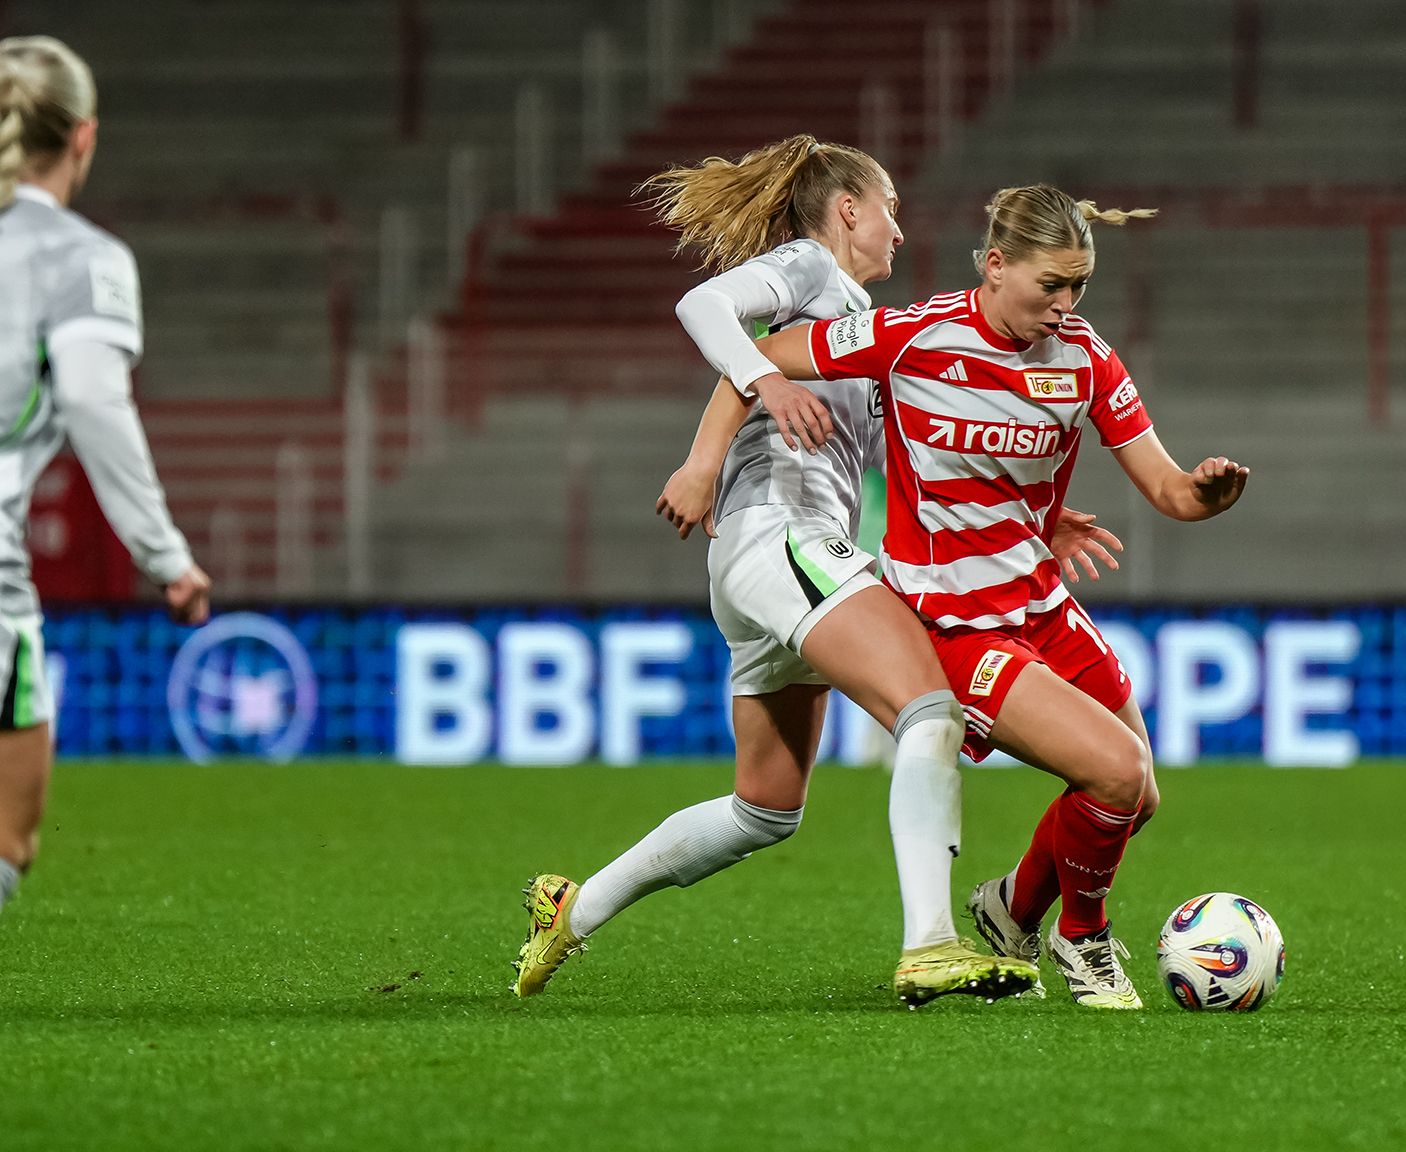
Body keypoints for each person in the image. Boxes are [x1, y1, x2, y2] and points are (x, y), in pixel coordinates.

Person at [511, 137, 1119, 1005]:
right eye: (891, 210)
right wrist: (722, 434)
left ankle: (573, 909)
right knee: (930, 707)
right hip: (780, 533)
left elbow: (907, 447)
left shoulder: (858, 332)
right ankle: (933, 944)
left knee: (764, 806)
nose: (899, 232)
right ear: (847, 210)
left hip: (777, 555)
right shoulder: (808, 267)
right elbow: (707, 308)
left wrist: (1036, 515)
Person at [751, 184, 1249, 1007]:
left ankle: (1012, 910)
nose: (1064, 305)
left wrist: (1207, 493)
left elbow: (1167, 487)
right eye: (1048, 285)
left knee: (1138, 795)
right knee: (1118, 777)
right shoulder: (913, 335)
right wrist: (733, 429)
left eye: (1078, 287)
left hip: (1040, 607)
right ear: (994, 265)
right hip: (952, 626)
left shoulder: (1084, 359)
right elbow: (770, 353)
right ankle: (1080, 938)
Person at [0, 36, 212, 940]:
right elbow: (90, 399)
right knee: (3, 833)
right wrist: (167, 556)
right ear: (83, 137)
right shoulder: (81, 259)